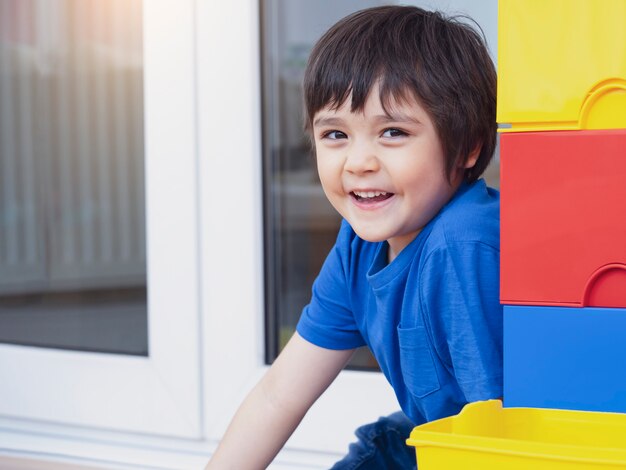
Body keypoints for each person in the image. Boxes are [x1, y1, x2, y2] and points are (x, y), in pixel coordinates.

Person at [206, 5, 501, 469]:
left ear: (467, 147)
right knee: (387, 445)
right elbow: (277, 396)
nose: (357, 161)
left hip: (504, 449)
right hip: (434, 442)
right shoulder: (359, 248)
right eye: (336, 135)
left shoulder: (463, 243)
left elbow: (504, 435)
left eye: (392, 132)